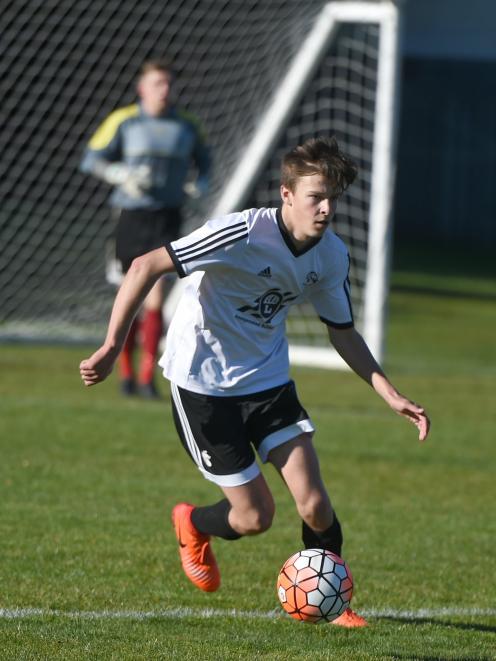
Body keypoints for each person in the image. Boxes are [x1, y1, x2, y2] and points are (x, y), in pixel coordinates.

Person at [79, 136, 430, 627]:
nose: (326, 209)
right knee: (254, 518)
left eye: (333, 198)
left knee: (314, 503)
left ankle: (335, 602)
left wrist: (390, 394)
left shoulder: (330, 256)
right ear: (287, 194)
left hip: (267, 383)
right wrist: (114, 344)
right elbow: (146, 265)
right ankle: (192, 522)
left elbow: (343, 332)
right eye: (316, 197)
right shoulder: (239, 232)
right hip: (203, 385)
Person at [80, 59, 211, 398]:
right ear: (142, 88)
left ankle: (147, 376)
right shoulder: (123, 121)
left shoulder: (187, 125)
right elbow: (91, 158)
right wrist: (119, 174)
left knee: (156, 298)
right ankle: (124, 374)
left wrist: (201, 184)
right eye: (157, 83)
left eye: (168, 83)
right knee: (130, 295)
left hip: (168, 218)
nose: (164, 90)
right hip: (131, 216)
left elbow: (206, 160)